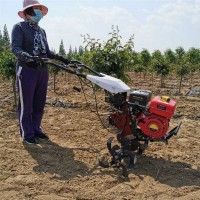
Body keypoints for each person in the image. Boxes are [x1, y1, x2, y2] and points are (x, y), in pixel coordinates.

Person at [11, 0, 69, 144]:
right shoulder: (19, 28)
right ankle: (27, 133)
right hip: (27, 69)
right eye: (35, 9)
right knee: (27, 103)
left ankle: (37, 129)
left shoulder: (41, 31)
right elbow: (15, 48)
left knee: (39, 103)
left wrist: (62, 58)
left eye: (39, 9)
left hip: (42, 71)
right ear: (27, 12)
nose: (38, 12)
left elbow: (47, 52)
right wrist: (27, 57)